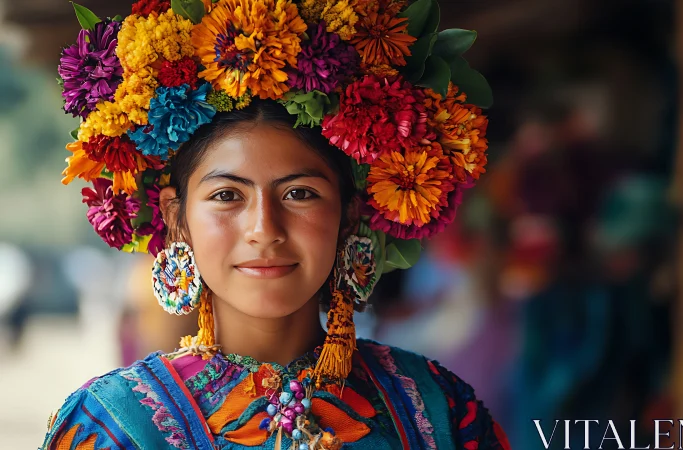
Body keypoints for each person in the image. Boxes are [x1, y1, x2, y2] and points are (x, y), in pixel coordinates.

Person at [42, 0, 507, 448]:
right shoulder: (113, 427)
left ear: (349, 215)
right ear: (176, 218)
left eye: (299, 194)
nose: (264, 228)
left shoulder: (442, 411)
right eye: (227, 196)